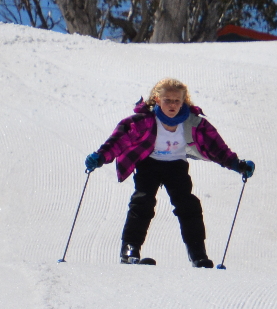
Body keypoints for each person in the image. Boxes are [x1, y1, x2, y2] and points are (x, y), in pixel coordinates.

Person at [86, 78, 255, 267]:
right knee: (143, 201)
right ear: (157, 99)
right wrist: (100, 157)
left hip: (176, 166)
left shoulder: (193, 123)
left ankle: (198, 254)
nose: (172, 105)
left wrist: (237, 165)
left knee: (188, 205)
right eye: (167, 100)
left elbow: (217, 148)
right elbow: (119, 141)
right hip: (149, 164)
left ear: (183, 101)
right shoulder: (144, 121)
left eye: (176, 101)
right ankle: (130, 249)